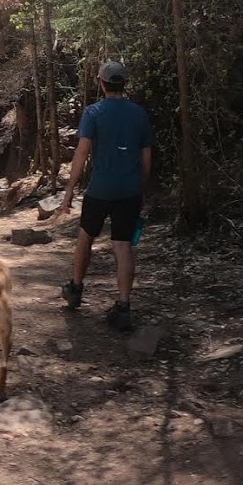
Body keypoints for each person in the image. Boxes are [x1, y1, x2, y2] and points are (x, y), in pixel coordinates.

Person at [58, 60, 153, 331]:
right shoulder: (139, 115)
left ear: (101, 84)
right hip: (129, 191)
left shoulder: (93, 112)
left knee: (86, 236)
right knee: (123, 246)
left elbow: (81, 152)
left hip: (99, 189)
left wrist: (68, 190)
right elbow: (146, 158)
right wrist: (140, 187)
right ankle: (123, 306)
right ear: (124, 84)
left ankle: (75, 289)